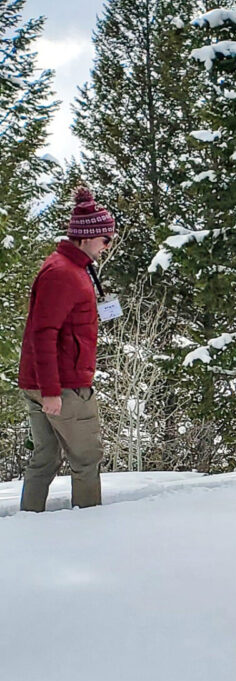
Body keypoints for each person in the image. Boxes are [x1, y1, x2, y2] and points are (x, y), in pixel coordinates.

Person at [17, 188, 116, 512]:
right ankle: (87, 530)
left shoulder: (71, 268)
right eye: (105, 238)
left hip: (43, 382)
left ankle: (29, 523)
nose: (108, 245)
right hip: (63, 385)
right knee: (86, 458)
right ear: (87, 238)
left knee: (44, 457)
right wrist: (51, 391)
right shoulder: (63, 273)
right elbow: (43, 335)